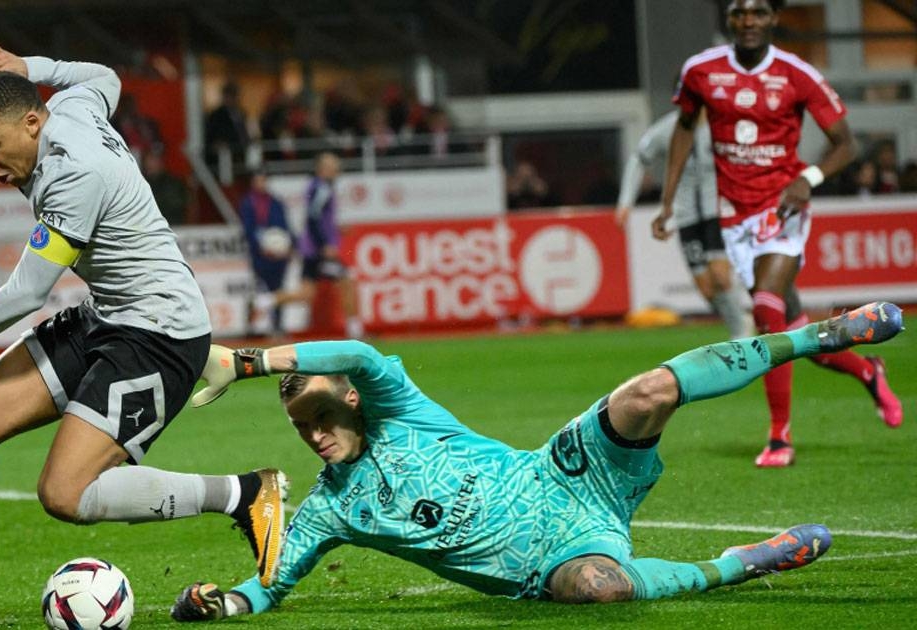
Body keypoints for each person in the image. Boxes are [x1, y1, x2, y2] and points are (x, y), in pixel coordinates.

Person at [0, 42, 286, 630]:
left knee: (65, 495)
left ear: (32, 123)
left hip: (159, 333)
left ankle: (243, 494)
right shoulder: (72, 108)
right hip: (107, 314)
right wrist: (31, 69)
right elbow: (106, 76)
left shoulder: (73, 176)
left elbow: (25, 294)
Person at [170, 302, 904, 620]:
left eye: (321, 416)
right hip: (545, 564)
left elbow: (359, 353)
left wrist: (248, 359)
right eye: (301, 427)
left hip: (562, 474)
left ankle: (821, 335)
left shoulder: (400, 410)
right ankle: (742, 562)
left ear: (354, 403)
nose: (313, 435)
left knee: (648, 391)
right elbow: (271, 585)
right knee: (601, 589)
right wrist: (221, 603)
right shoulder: (331, 508)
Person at [656, 0, 902, 468]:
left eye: (759, 13)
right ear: (727, 20)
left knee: (766, 307)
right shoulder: (700, 71)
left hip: (783, 205)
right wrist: (668, 200)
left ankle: (778, 437)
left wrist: (806, 180)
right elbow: (684, 130)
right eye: (739, 13)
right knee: (790, 330)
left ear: (774, 18)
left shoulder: (797, 73)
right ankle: (868, 371)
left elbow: (846, 144)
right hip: (734, 213)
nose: (749, 21)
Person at [617, 110, 750, 339]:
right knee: (706, 288)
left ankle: (742, 333)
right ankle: (739, 320)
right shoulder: (667, 129)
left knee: (720, 275)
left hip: (717, 211)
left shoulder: (723, 125)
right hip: (686, 216)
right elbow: (638, 158)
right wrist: (625, 201)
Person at [270, 152, 363, 338]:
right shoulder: (321, 188)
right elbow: (312, 218)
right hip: (318, 252)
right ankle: (356, 332)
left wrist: (336, 230)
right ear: (323, 169)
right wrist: (324, 245)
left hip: (311, 251)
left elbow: (317, 218)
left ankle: (264, 300)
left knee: (306, 295)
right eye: (333, 166)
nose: (337, 170)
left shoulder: (319, 187)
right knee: (348, 281)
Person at [238, 171, 294, 337]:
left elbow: (284, 227)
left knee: (277, 291)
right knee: (258, 291)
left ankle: (277, 326)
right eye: (258, 180)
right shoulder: (248, 203)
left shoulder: (276, 202)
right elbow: (247, 230)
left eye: (263, 180)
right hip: (259, 257)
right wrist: (260, 247)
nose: (261, 183)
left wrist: (288, 246)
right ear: (253, 183)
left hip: (278, 257)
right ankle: (251, 327)